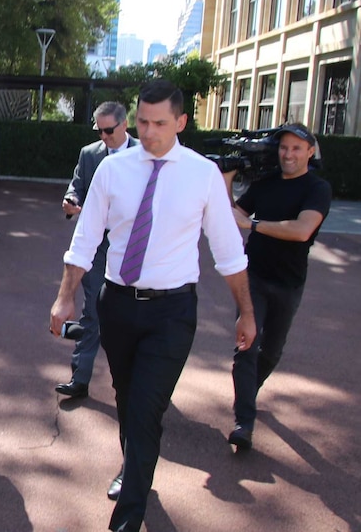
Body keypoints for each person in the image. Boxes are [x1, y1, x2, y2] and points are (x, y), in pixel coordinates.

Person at [49, 80, 256, 532]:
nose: (149, 131)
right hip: (117, 305)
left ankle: (127, 517)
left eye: (160, 123)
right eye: (142, 121)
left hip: (172, 312)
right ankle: (136, 467)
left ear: (181, 122)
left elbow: (228, 251)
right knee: (127, 400)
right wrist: (66, 295)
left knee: (145, 407)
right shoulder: (113, 170)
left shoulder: (202, 174)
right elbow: (85, 239)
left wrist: (246, 311)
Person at [223, 123, 331, 451]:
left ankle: (247, 394)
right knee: (247, 344)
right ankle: (244, 421)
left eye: (297, 148)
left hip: (289, 282)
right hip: (252, 275)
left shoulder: (317, 188)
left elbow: (301, 230)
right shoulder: (265, 183)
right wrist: (226, 180)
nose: (289, 154)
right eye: (284, 147)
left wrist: (253, 224)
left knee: (271, 351)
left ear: (310, 152)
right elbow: (232, 216)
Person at [56, 101, 140, 399]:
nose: (103, 136)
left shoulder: (145, 155)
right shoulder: (89, 154)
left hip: (133, 249)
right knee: (92, 309)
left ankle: (137, 380)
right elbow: (76, 186)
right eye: (99, 130)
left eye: (109, 130)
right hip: (95, 245)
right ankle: (80, 377)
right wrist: (70, 200)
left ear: (124, 124)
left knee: (130, 315)